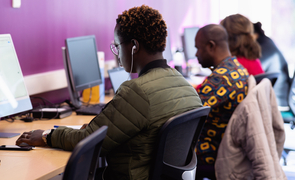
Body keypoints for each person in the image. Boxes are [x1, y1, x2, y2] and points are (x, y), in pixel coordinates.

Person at [16, 5, 203, 180]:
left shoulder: (137, 91)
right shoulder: (185, 86)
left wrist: (46, 135)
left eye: (117, 45)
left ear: (134, 46)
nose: (117, 53)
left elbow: (89, 141)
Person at [194, 24, 249, 179]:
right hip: (229, 147)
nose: (196, 54)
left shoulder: (220, 80)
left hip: (209, 153)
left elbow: (185, 112)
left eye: (198, 48)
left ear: (211, 46)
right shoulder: (237, 68)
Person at [253, 21, 290, 108]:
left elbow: (256, 70)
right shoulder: (267, 42)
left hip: (278, 101)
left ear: (253, 34)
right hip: (278, 99)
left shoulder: (264, 47)